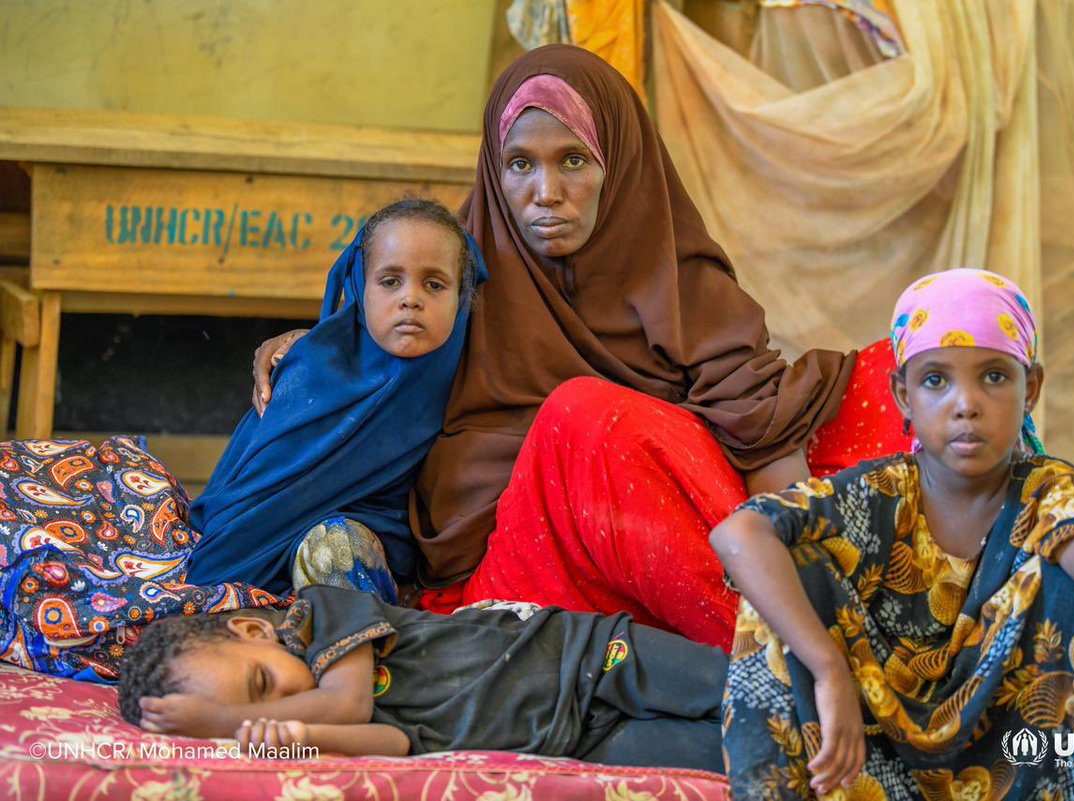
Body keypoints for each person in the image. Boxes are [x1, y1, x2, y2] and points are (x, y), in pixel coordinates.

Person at [248, 45, 910, 649]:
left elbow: (764, 433)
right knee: (582, 418)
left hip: (681, 567)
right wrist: (312, 349)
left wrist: (816, 583)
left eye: (573, 161)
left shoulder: (682, 285)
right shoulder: (463, 277)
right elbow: (375, 351)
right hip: (519, 588)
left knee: (912, 375)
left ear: (619, 164)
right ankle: (788, 660)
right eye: (519, 165)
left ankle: (800, 644)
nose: (545, 193)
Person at [711, 268, 1074, 800]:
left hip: (1021, 753)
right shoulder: (879, 493)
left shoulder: (1045, 488)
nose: (965, 404)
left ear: (1029, 387)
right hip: (869, 752)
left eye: (993, 376)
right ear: (903, 395)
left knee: (1072, 578)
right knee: (792, 568)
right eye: (936, 380)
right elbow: (740, 533)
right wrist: (829, 670)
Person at [185, 199, 483, 598]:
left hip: (371, 555)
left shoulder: (467, 375)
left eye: (434, 284)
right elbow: (248, 501)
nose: (412, 298)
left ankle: (350, 652)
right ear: (360, 287)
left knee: (336, 544)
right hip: (248, 560)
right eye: (390, 281)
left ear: (460, 296)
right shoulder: (308, 371)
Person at [118, 584, 727, 771]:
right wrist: (291, 740)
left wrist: (224, 724)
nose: (279, 700)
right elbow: (392, 743)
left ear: (254, 633)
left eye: (259, 684)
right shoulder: (303, 723)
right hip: (579, 742)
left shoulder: (321, 614)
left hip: (590, 659)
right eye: (258, 709)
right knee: (744, 754)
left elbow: (352, 705)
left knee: (748, 689)